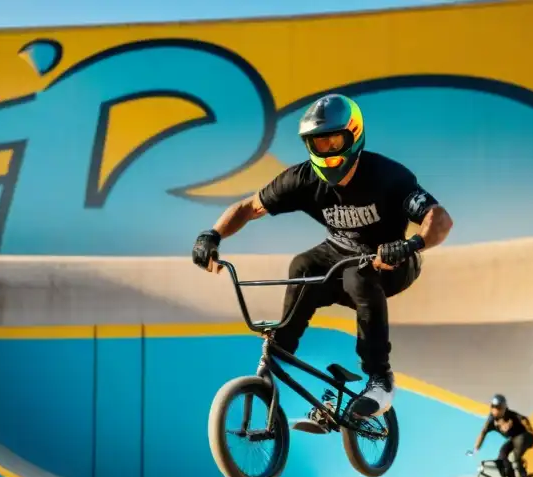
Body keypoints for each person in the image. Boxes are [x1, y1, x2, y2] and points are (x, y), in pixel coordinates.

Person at [191, 93, 453, 423]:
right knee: (302, 266)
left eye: (333, 142)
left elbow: (439, 218)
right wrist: (211, 236)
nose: (326, 153)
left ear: (353, 136)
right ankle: (280, 356)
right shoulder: (302, 179)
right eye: (318, 144)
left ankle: (380, 379)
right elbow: (248, 208)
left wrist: (412, 244)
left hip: (394, 260)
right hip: (337, 256)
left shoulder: (388, 176)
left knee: (359, 273)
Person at [472, 394, 533, 477]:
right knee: (502, 454)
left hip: (525, 436)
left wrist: (530, 431)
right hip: (514, 439)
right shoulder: (491, 421)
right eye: (493, 407)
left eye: (499, 408)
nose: (496, 410)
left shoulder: (510, 415)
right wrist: (476, 448)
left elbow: (524, 419)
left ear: (504, 408)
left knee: (514, 457)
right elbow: (483, 432)